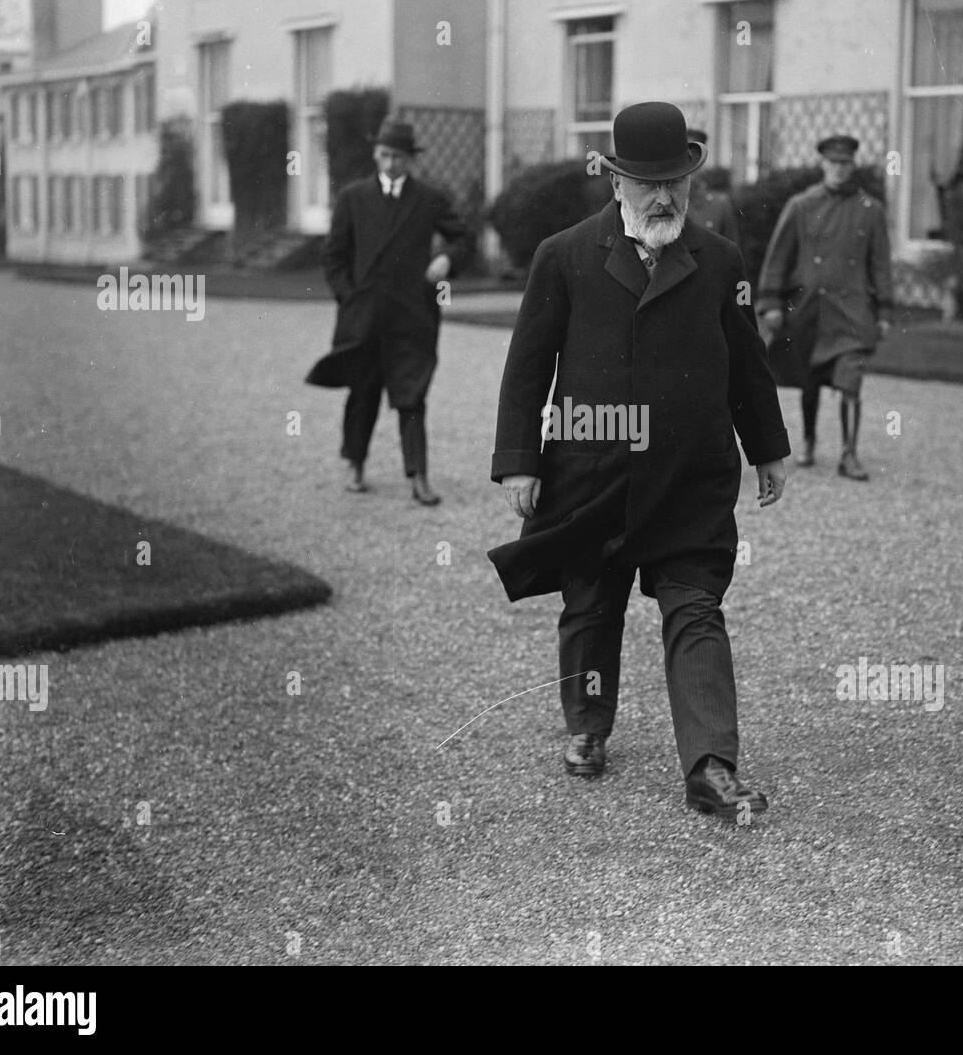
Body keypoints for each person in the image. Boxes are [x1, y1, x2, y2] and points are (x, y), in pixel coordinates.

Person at [488, 102, 789, 820]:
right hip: (592, 471)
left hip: (691, 475)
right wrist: (519, 462)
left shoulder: (718, 260)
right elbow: (527, 366)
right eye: (647, 184)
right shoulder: (563, 256)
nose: (664, 198)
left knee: (696, 609)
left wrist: (769, 448)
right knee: (592, 604)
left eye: (676, 184)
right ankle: (588, 728)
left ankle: (711, 767)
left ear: (690, 181)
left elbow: (747, 364)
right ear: (615, 180)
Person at [305, 119, 467, 504]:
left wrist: (446, 258)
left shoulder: (429, 199)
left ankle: (419, 477)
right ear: (375, 155)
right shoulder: (353, 198)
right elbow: (333, 256)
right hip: (365, 316)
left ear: (410, 160)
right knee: (363, 392)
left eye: (398, 156)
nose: (391, 163)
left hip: (412, 316)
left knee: (412, 394)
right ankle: (354, 464)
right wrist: (350, 297)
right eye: (384, 155)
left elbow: (463, 236)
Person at [756, 134, 893, 481]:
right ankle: (808, 439)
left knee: (851, 381)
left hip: (853, 313)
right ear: (822, 165)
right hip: (810, 311)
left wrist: (886, 312)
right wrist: (770, 302)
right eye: (832, 163)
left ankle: (849, 454)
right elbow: (777, 259)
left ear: (853, 165)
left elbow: (880, 264)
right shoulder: (801, 205)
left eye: (845, 163)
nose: (838, 169)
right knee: (810, 381)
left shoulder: (870, 210)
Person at [683, 129, 741, 246]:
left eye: (694, 157)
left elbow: (731, 254)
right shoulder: (663, 202)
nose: (688, 165)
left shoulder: (719, 205)